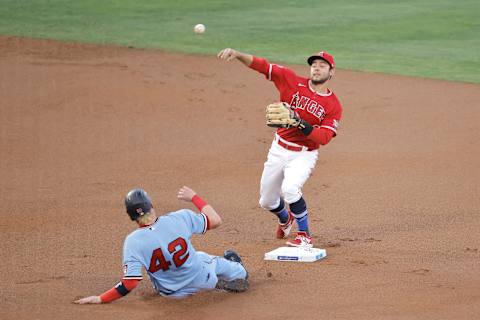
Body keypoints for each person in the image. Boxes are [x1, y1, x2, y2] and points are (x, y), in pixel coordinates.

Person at [217, 48, 343, 248]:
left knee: (290, 190)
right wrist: (238, 55)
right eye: (314, 65)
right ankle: (285, 218)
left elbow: (325, 137)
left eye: (322, 66)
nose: (317, 69)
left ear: (331, 72)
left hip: (304, 155)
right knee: (266, 201)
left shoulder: (333, 105)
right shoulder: (291, 80)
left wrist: (299, 123)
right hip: (279, 149)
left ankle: (304, 235)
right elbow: (264, 66)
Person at [74, 186, 248, 304]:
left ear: (132, 217)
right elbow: (216, 221)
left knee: (198, 258)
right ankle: (238, 270)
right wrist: (194, 197)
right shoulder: (179, 218)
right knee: (209, 259)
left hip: (173, 296)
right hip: (203, 280)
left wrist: (100, 298)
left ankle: (217, 280)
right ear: (151, 205)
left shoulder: (132, 242)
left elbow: (129, 284)